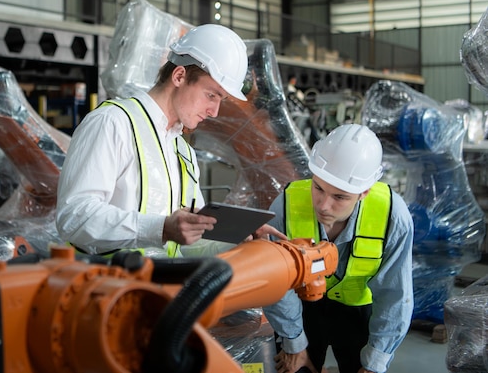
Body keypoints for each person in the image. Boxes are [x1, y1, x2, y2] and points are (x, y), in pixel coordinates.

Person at [55, 24, 250, 257]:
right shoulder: (113, 123)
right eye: (211, 95)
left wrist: (236, 237)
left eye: (221, 100)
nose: (214, 111)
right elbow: (73, 217)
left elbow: (189, 245)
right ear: (179, 76)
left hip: (166, 288)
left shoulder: (182, 152)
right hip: (111, 287)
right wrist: (161, 228)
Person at [260, 123, 414, 373]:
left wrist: (375, 361)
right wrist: (294, 344)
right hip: (300, 307)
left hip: (358, 310)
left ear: (363, 192)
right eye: (318, 187)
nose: (323, 205)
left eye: (340, 197)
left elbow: (395, 294)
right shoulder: (284, 207)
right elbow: (277, 285)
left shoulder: (393, 217)